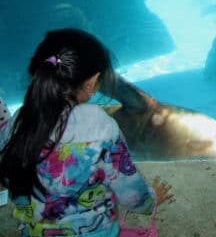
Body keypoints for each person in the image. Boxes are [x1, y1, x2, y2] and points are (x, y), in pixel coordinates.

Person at [0, 28, 174, 236]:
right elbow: (131, 196)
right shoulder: (101, 126)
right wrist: (150, 201)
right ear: (91, 83)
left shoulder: (17, 122)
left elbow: (7, 177)